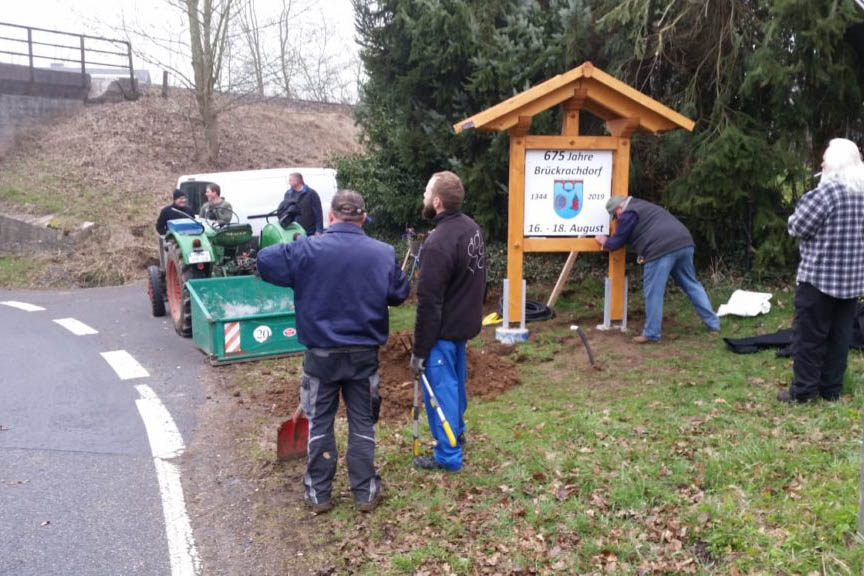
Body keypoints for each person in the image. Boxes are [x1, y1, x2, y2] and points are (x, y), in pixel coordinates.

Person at [257, 189, 410, 513]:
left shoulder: (306, 250)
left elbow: (265, 261)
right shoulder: (381, 253)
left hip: (321, 358)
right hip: (363, 357)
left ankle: (319, 495)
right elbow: (399, 292)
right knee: (362, 424)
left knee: (321, 424)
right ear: (363, 217)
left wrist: (300, 248)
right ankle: (365, 493)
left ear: (329, 216)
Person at [410, 171, 486, 472]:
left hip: (443, 331)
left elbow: (429, 303)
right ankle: (458, 432)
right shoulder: (472, 228)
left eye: (427, 192)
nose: (424, 197)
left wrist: (419, 351)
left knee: (442, 391)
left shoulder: (438, 242)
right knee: (455, 386)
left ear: (437, 202)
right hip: (462, 327)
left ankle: (448, 456)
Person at [778, 138, 864, 403]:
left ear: (835, 162)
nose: (821, 162)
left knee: (809, 337)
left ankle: (803, 392)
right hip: (852, 280)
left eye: (825, 157)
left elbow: (797, 227)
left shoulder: (825, 194)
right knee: (840, 337)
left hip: (819, 279)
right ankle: (831, 390)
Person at [595, 195, 720, 343]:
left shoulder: (629, 213)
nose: (617, 219)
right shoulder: (644, 205)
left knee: (654, 292)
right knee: (692, 285)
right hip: (684, 242)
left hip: (660, 249)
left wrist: (604, 241)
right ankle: (714, 324)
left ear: (619, 208)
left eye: (615, 216)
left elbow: (617, 241)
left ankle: (652, 334)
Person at [279, 172, 323, 236]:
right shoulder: (288, 194)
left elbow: (318, 213)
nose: (289, 182)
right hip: (294, 231)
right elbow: (285, 211)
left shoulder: (311, 193)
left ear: (297, 181)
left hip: (310, 231)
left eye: (290, 180)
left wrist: (319, 230)